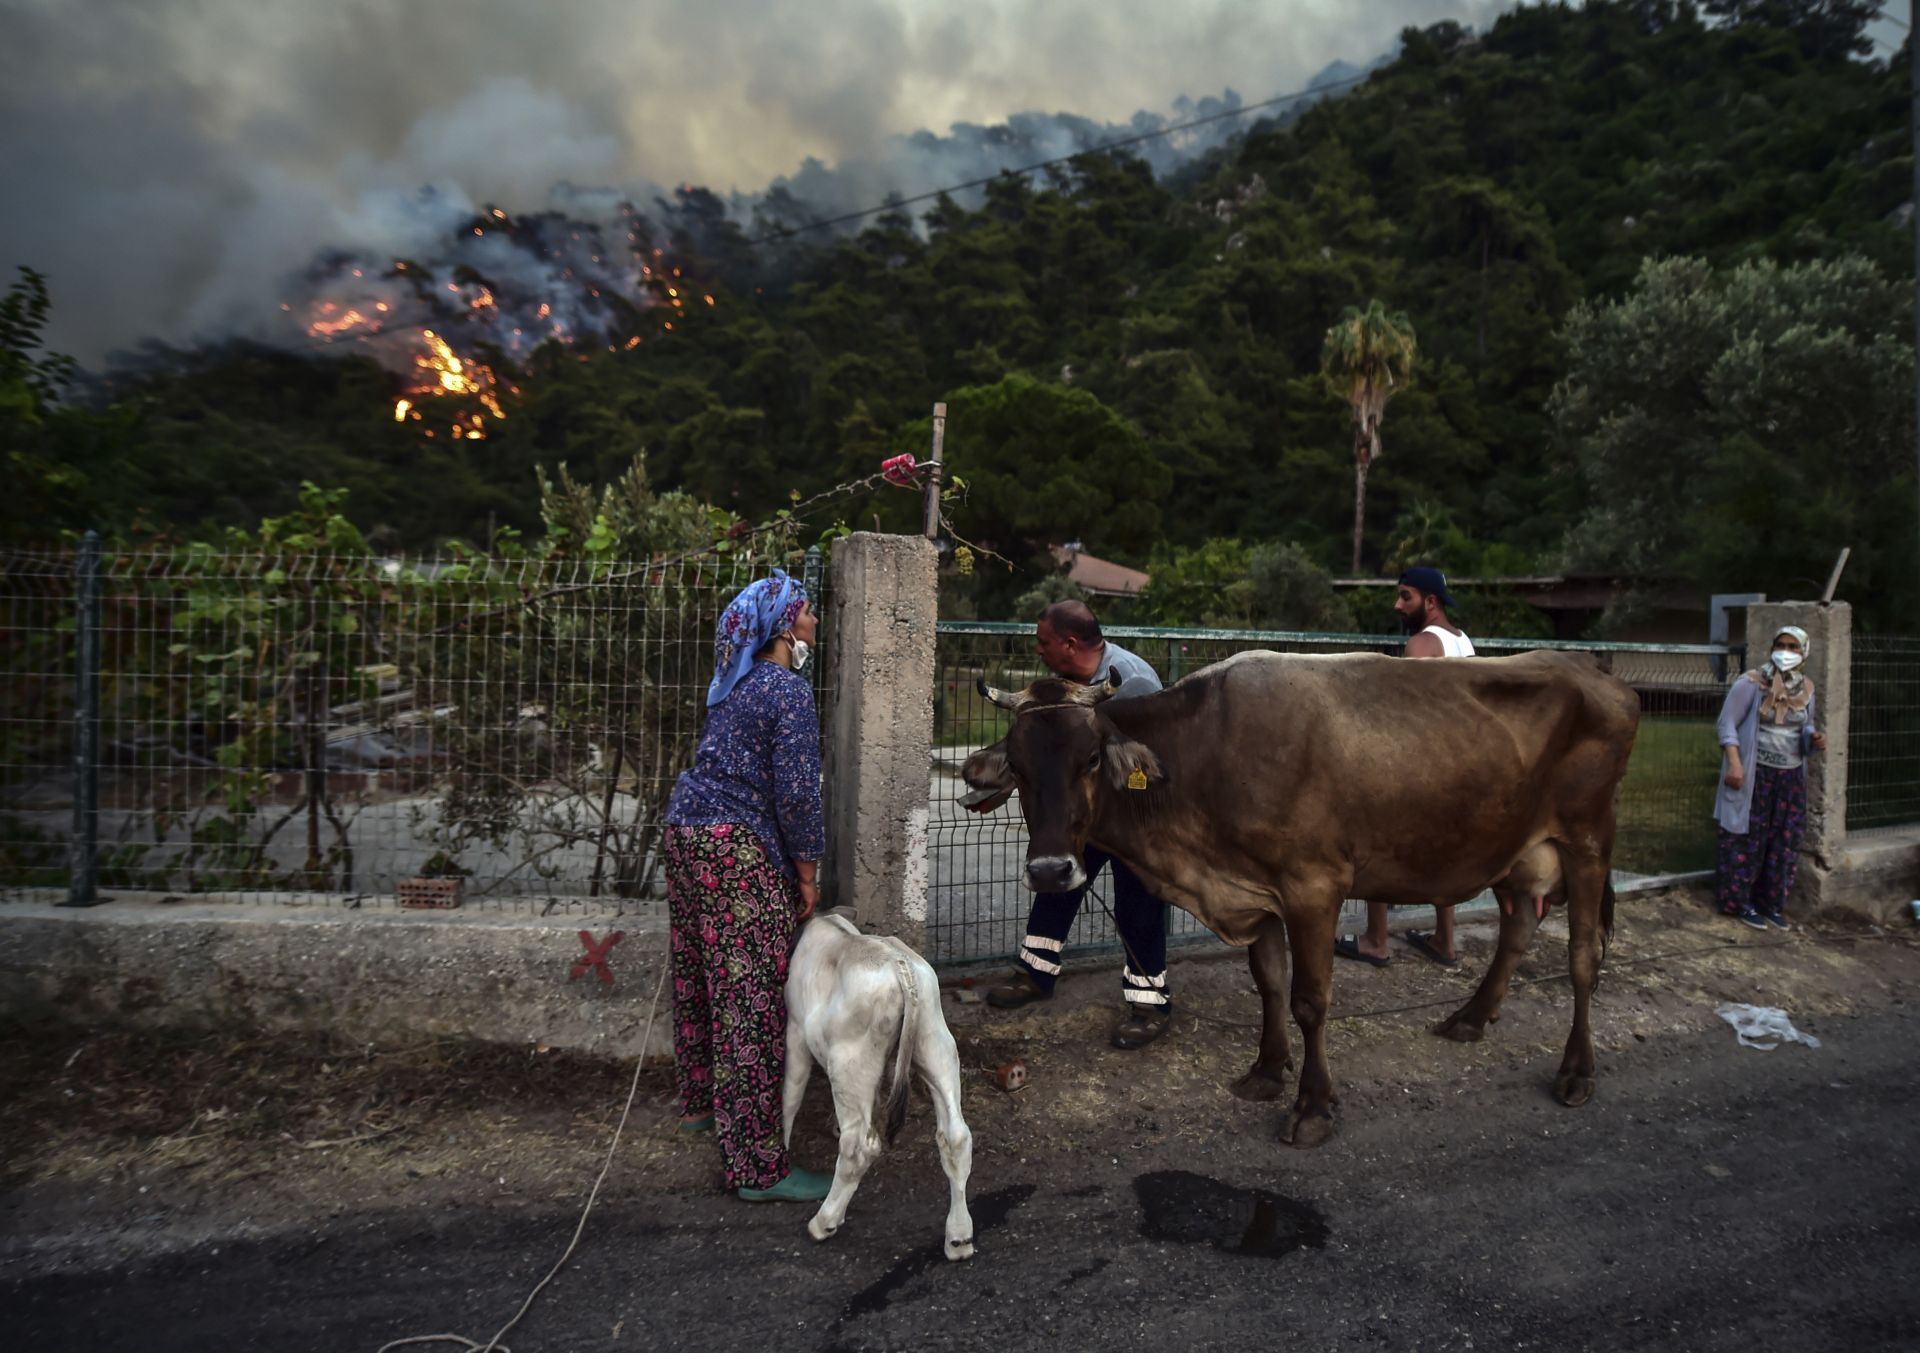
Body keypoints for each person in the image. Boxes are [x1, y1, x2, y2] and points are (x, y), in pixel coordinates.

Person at [662, 569, 831, 1203]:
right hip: (734, 846)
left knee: (699, 975)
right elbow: (796, 793)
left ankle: (702, 1104)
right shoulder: (786, 689)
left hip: (685, 832)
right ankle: (757, 1167)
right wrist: (806, 871)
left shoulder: (729, 686)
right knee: (751, 1000)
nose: (815, 622)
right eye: (808, 612)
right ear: (787, 625)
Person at [982, 601, 1178, 1050]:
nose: (1038, 650)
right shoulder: (1062, 686)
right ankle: (1036, 973)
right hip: (1085, 816)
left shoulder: (1133, 681)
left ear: (1070, 644)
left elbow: (1144, 762)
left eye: (1044, 642)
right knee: (1057, 886)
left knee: (1138, 904)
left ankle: (1151, 1001)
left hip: (1133, 816)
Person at [1334, 565, 1475, 969]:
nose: (1398, 605)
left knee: (1373, 837)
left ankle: (1377, 940)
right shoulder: (1462, 641)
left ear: (1430, 602)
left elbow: (1407, 717)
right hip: (1461, 766)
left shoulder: (1422, 644)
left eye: (1406, 596)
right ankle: (1445, 941)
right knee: (1444, 852)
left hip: (1424, 767)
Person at [1714, 625, 1827, 930]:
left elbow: (1803, 726)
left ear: (1804, 653)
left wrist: (1813, 738)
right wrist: (1735, 765)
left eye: (1793, 647)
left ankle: (1770, 903)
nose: (1786, 652)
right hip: (1755, 772)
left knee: (1783, 840)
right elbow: (1727, 725)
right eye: (1781, 645)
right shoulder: (1751, 683)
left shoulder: (1806, 689)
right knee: (1747, 838)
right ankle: (1739, 901)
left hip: (1790, 776)